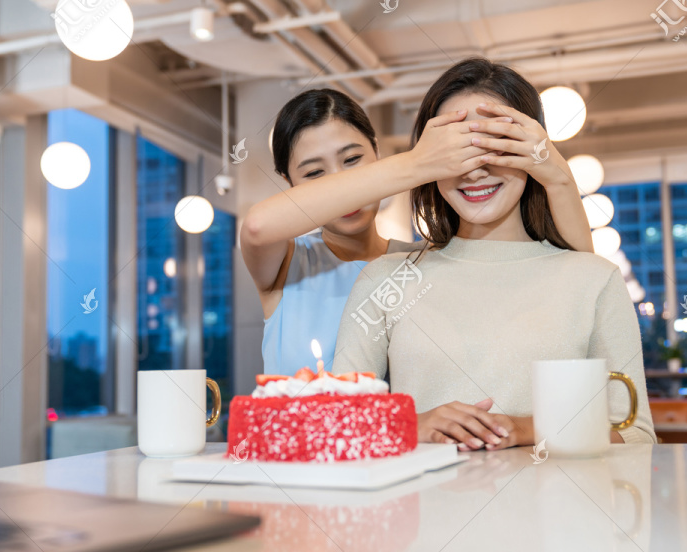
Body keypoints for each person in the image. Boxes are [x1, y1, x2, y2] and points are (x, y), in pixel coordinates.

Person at [332, 58, 654, 449]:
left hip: (556, 510)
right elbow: (337, 426)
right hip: (423, 509)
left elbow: (634, 435)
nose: (473, 172)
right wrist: (411, 425)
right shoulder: (384, 278)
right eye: (454, 151)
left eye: (494, 146)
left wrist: (525, 429)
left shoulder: (594, 278)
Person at [240, 88, 594, 375]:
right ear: (289, 183)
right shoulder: (287, 264)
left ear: (377, 153)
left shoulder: (424, 263)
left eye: (352, 161)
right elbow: (256, 227)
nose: (342, 187)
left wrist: (558, 174)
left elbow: (580, 278)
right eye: (315, 173)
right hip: (291, 462)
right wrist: (420, 162)